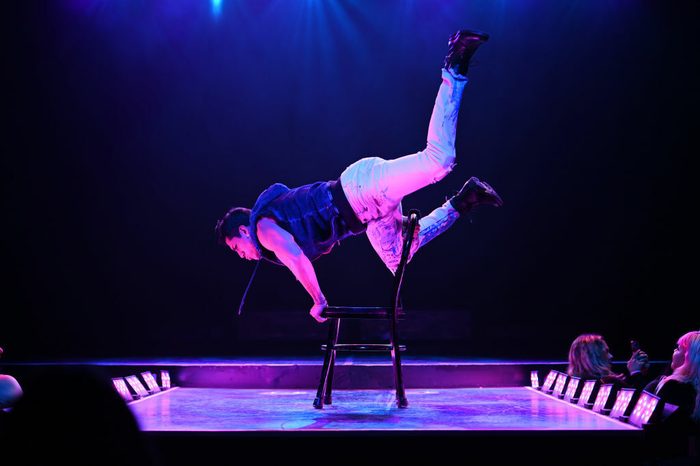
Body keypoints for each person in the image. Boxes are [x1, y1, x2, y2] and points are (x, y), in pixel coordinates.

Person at [215, 30, 504, 322]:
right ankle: (464, 201)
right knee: (397, 258)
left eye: (238, 250)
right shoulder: (275, 219)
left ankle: (455, 65)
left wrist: (319, 300)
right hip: (368, 213)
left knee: (439, 161)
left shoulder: (262, 230)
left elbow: (296, 259)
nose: (244, 256)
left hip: (362, 190)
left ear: (242, 232)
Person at [566, 333, 650, 388]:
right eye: (606, 352)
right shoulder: (607, 383)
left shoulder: (573, 382)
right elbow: (641, 401)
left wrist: (638, 372)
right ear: (593, 357)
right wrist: (636, 373)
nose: (611, 356)